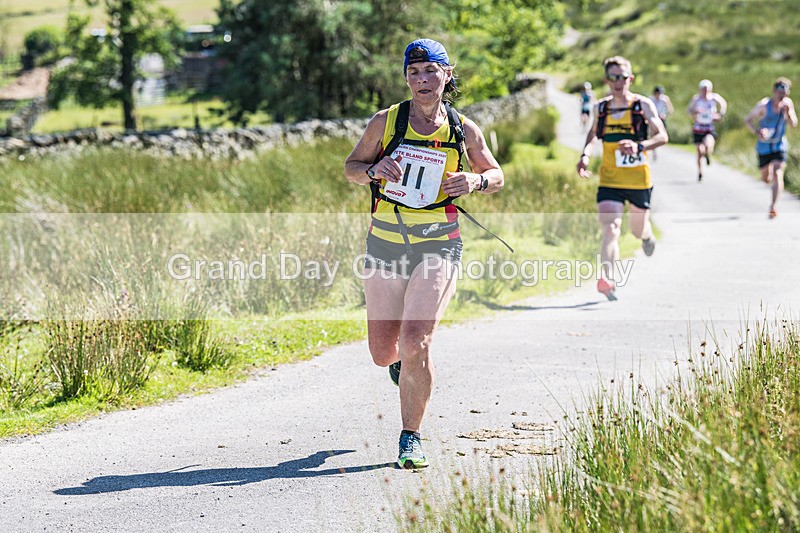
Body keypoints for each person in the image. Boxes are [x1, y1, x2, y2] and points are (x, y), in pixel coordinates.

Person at [344, 38, 504, 468]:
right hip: (385, 244)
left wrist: (476, 182)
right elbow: (352, 168)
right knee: (384, 352)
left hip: (439, 243)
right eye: (413, 72)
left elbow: (495, 172)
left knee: (417, 340)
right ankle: (401, 365)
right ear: (406, 78)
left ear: (447, 74)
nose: (422, 80)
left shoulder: (462, 128)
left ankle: (410, 437)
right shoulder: (387, 122)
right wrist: (373, 170)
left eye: (430, 71)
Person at [576, 56, 668, 301]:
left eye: (623, 77)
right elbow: (593, 134)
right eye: (614, 77)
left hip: (638, 181)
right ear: (607, 80)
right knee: (611, 228)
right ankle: (609, 279)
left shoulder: (642, 105)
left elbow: (662, 136)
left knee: (637, 232)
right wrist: (585, 155)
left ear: (631, 79)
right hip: (610, 180)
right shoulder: (601, 108)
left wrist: (640, 146)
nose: (619, 82)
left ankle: (647, 236)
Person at [744, 77, 798, 219]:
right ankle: (767, 182)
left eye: (785, 93)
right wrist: (757, 132)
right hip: (764, 146)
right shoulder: (763, 105)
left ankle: (773, 206)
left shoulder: (787, 104)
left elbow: (793, 124)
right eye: (779, 92)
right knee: (766, 178)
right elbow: (748, 120)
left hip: (780, 144)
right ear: (774, 91)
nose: (782, 96)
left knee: (778, 173)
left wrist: (788, 113)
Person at [688, 79, 727, 182]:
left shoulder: (714, 98)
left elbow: (723, 104)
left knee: (708, 146)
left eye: (707, 89)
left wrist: (720, 114)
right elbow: (689, 111)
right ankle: (700, 172)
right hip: (698, 128)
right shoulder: (696, 99)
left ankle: (708, 154)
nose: (705, 91)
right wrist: (694, 113)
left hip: (709, 128)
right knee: (699, 151)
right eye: (703, 89)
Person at [648, 85, 673, 160]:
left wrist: (665, 114)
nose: (659, 95)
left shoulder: (665, 99)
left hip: (661, 119)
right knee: (653, 134)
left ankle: (658, 145)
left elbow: (670, 110)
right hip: (653, 119)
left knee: (662, 134)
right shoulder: (650, 99)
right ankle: (654, 150)